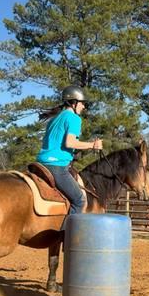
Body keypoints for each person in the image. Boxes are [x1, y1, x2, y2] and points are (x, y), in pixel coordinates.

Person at [37, 85, 103, 215]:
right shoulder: (73, 118)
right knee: (80, 200)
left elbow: (57, 143)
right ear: (74, 102)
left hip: (40, 163)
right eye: (82, 103)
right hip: (57, 165)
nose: (84, 107)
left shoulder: (54, 119)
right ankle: (67, 234)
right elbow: (70, 142)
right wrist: (93, 145)